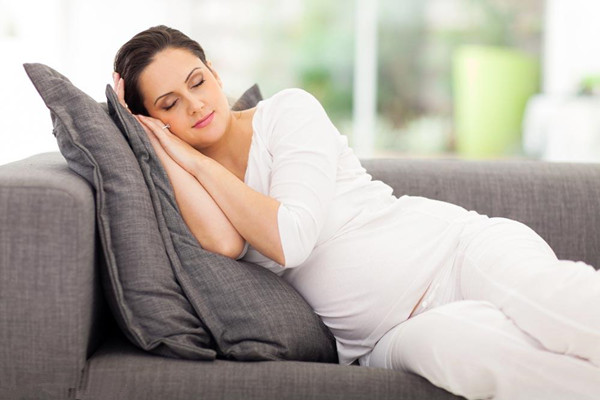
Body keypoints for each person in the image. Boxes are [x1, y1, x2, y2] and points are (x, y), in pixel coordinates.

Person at [112, 25, 600, 399]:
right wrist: (158, 148)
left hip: (454, 253)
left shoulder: (287, 112)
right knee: (486, 355)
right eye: (169, 105)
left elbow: (292, 237)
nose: (195, 105)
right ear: (153, 123)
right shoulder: (191, 185)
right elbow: (225, 243)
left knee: (551, 302)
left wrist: (193, 157)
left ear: (215, 73)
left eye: (198, 82)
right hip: (388, 337)